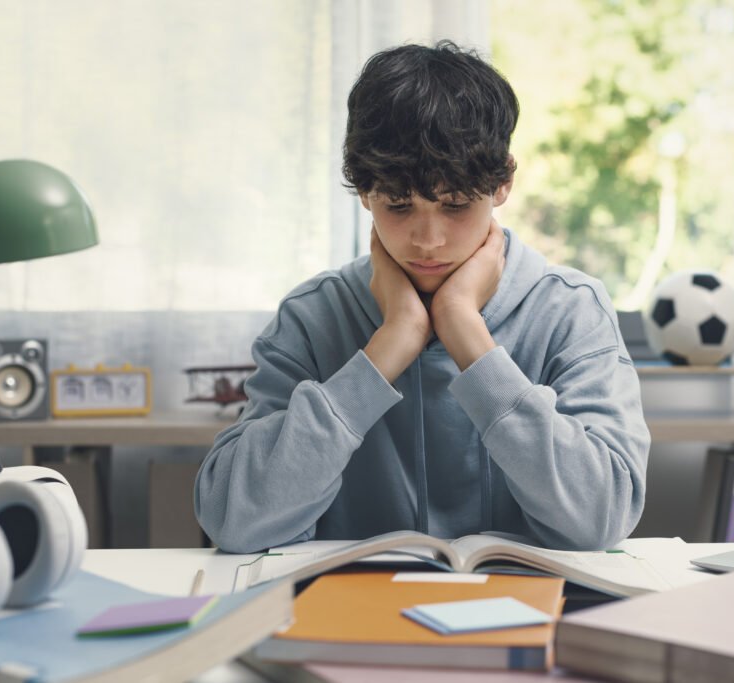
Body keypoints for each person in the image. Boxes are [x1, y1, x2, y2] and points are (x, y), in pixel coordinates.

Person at [195, 41, 650, 554]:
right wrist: (390, 344)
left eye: (455, 205)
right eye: (397, 205)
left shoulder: (572, 310)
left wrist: (465, 332)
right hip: (353, 619)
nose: (428, 239)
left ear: (502, 184)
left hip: (527, 616)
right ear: (364, 192)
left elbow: (601, 518)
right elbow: (234, 521)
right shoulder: (312, 315)